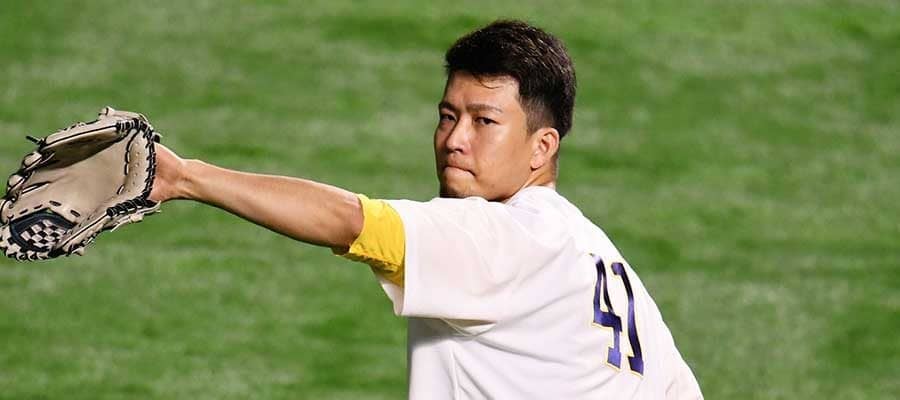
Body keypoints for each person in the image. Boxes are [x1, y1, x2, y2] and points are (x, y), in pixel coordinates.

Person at [149, 20, 703, 399]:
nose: (455, 140)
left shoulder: (500, 239)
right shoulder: (600, 257)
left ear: (542, 147)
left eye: (484, 121)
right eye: (447, 116)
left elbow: (351, 222)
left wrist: (184, 177)